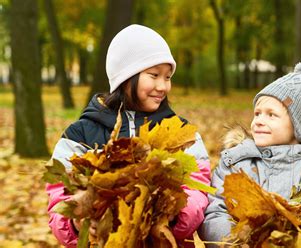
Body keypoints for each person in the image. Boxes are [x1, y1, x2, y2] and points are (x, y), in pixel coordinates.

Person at [46, 24, 211, 247]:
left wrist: (175, 216)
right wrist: (77, 222)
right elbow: (59, 198)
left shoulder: (181, 134)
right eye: (154, 75)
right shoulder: (79, 135)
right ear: (126, 77)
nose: (163, 86)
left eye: (168, 77)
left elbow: (199, 189)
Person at [200, 60, 301, 247]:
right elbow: (216, 213)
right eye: (257, 113)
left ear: (299, 127)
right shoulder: (235, 161)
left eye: (271, 115)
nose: (258, 121)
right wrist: (238, 241)